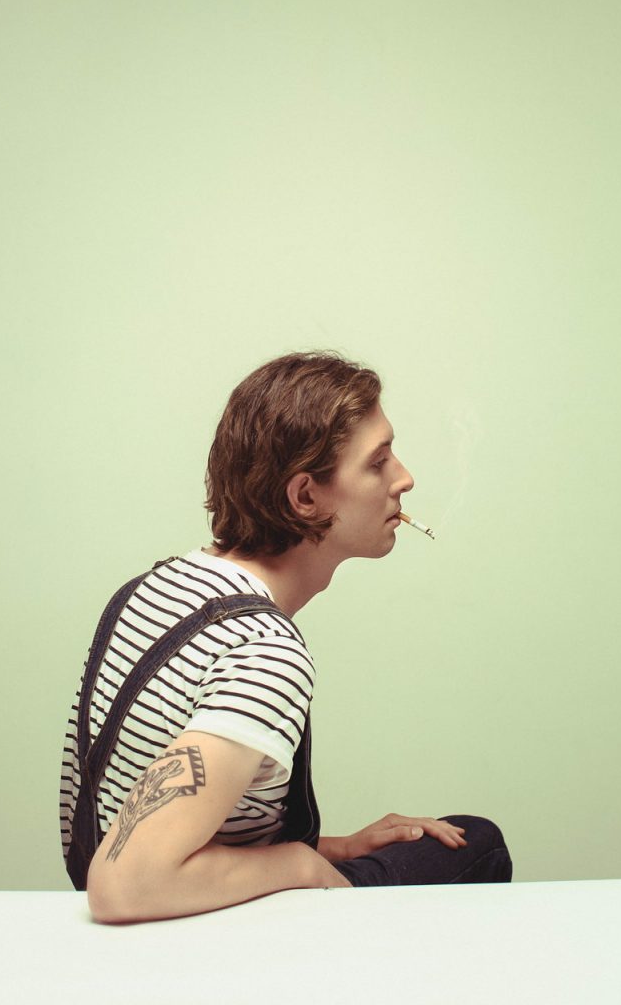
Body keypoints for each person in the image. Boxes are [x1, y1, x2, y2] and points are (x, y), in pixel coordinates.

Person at [59, 351, 511, 923]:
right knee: (479, 844)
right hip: (201, 934)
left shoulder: (150, 589)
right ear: (305, 498)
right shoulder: (264, 651)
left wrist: (336, 848)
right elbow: (124, 885)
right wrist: (302, 863)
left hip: (174, 900)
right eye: (377, 463)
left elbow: (156, 826)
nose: (404, 478)